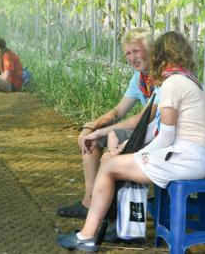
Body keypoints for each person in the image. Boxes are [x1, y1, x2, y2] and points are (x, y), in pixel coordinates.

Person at [57, 31, 205, 252]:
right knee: (113, 162)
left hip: (184, 159)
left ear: (158, 55)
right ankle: (100, 229)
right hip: (193, 158)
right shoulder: (189, 79)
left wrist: (135, 156)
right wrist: (121, 148)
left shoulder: (172, 84)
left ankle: (88, 236)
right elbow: (155, 128)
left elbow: (165, 136)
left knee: (110, 167)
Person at [57, 28, 161, 220]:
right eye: (128, 54)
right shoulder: (140, 79)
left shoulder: (162, 77)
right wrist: (91, 126)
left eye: (136, 51)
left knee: (106, 146)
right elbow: (117, 111)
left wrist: (101, 131)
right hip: (144, 133)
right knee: (92, 139)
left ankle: (112, 212)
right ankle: (90, 202)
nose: (132, 58)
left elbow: (142, 119)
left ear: (151, 49)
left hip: (158, 137)